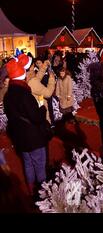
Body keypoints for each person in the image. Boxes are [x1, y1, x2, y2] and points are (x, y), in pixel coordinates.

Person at [3, 58, 50, 198]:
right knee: (40, 165)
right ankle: (43, 194)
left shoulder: (8, 95)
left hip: (20, 138)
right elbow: (37, 117)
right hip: (33, 138)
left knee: (28, 164)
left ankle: (30, 189)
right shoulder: (25, 94)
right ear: (23, 75)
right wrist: (41, 106)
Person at [27, 58, 56, 124]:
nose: (34, 67)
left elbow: (37, 77)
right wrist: (51, 79)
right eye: (32, 66)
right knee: (44, 117)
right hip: (39, 105)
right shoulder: (32, 82)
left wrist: (44, 66)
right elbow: (48, 93)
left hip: (39, 99)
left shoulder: (28, 77)